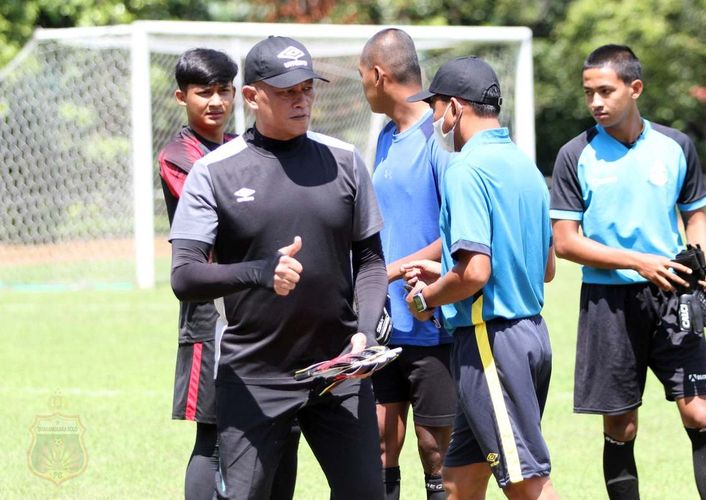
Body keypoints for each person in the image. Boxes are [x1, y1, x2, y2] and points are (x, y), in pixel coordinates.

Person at [168, 36, 387, 500]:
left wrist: (364, 330)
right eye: (287, 90)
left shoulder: (346, 162)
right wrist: (259, 271)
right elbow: (184, 276)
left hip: (339, 370)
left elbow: (370, 260)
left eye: (307, 88)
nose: (301, 99)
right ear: (252, 97)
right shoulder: (214, 172)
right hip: (254, 374)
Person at [550, 44, 706, 499]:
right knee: (621, 424)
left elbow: (694, 216)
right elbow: (566, 242)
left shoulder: (676, 146)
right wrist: (639, 262)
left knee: (700, 414)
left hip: (675, 296)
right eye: (589, 92)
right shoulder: (575, 155)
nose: (596, 102)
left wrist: (705, 262)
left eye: (606, 91)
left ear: (635, 88)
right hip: (608, 304)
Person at [402, 56, 559, 500]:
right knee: (459, 484)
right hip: (529, 338)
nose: (433, 119)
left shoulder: (466, 169)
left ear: (454, 107)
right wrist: (446, 272)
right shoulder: (525, 167)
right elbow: (545, 269)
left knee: (527, 482)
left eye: (434, 108)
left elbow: (474, 273)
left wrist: (426, 298)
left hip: (491, 345)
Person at [158, 48, 299, 500]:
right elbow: (223, 218)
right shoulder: (181, 157)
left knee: (279, 420)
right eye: (204, 93)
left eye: (223, 90)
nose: (215, 101)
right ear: (182, 97)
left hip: (261, 301)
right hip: (210, 310)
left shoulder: (242, 145)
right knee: (213, 431)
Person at [358, 28, 457, 500]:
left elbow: (461, 233)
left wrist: (393, 271)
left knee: (435, 451)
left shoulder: (441, 138)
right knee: (379, 444)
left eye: (362, 77)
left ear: (378, 75)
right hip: (386, 321)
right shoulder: (383, 136)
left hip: (432, 319)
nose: (363, 86)